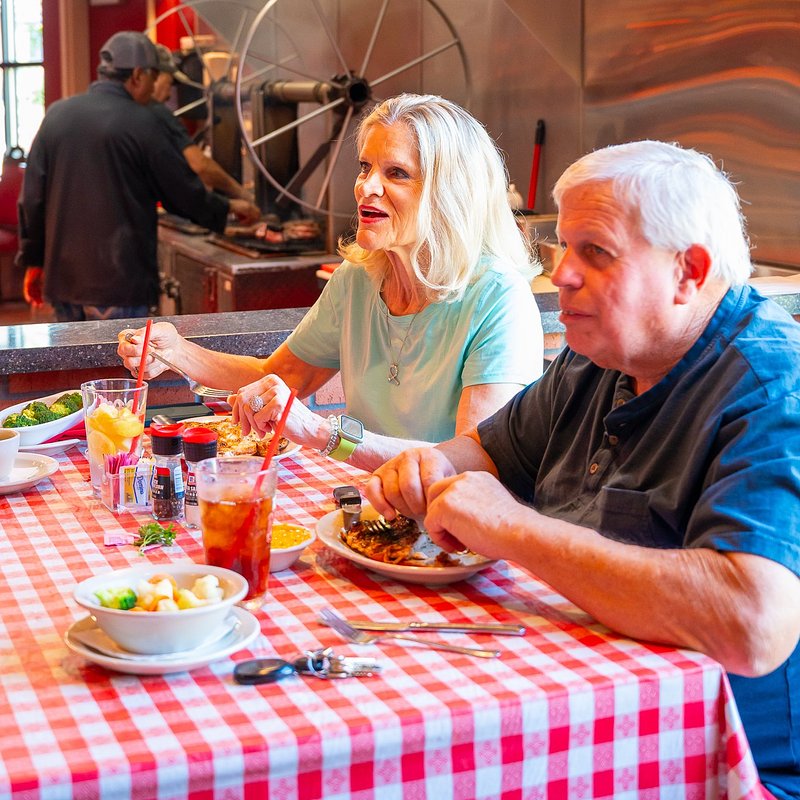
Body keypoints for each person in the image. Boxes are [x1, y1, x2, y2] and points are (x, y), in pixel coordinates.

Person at [365, 140, 800, 799]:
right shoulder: (597, 353)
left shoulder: (773, 388)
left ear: (689, 271)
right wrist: (426, 468)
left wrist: (509, 527)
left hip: (709, 768)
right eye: (560, 249)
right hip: (567, 713)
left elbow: (752, 625)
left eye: (594, 253)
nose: (561, 275)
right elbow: (488, 455)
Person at [118, 93, 544, 471]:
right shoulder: (359, 277)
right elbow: (279, 377)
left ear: (451, 192)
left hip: (452, 532)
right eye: (365, 167)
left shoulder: (498, 298)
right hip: (373, 509)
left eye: (396, 173)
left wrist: (324, 434)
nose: (366, 186)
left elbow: (476, 466)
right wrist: (177, 351)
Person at [16, 31, 259, 322]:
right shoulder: (144, 122)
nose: (158, 87)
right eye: (155, 76)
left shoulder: (56, 115)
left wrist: (33, 261)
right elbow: (181, 192)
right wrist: (229, 207)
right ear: (138, 75)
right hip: (121, 286)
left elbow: (32, 200)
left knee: (74, 366)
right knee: (121, 366)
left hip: (63, 284)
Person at [150, 44, 258, 207]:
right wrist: (242, 197)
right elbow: (200, 166)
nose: (169, 93)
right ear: (153, 76)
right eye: (169, 81)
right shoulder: (156, 116)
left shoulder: (125, 111)